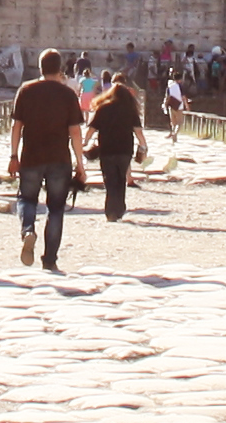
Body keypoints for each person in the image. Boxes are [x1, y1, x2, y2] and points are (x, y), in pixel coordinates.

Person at [8, 47, 87, 273]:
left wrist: (13, 155)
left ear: (40, 67)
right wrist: (80, 165)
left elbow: (16, 126)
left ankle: (28, 230)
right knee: (56, 209)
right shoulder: (68, 94)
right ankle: (50, 259)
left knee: (26, 199)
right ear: (60, 68)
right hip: (59, 159)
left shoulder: (26, 90)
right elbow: (75, 133)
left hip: (31, 156)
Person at [88, 69, 143, 228]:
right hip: (125, 148)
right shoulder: (130, 109)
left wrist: (84, 143)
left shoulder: (103, 108)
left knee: (109, 179)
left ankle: (110, 211)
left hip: (106, 149)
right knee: (120, 179)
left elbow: (92, 129)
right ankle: (119, 208)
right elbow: (138, 130)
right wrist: (143, 145)